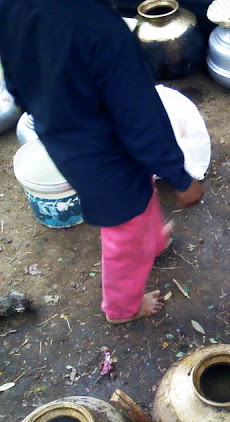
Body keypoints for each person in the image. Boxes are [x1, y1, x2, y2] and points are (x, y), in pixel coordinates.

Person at [0, 0, 205, 323]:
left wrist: (37, 106)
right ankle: (122, 307)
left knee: (140, 191)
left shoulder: (16, 7)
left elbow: (12, 73)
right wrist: (179, 176)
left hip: (61, 129)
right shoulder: (100, 28)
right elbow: (139, 116)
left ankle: (151, 242)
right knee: (124, 229)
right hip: (104, 150)